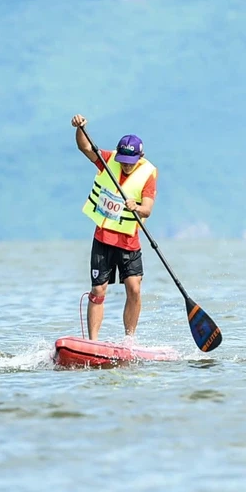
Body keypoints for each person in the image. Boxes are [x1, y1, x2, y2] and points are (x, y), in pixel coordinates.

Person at [72, 114, 157, 341]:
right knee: (98, 291)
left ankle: (129, 340)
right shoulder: (109, 160)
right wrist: (80, 128)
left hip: (129, 241)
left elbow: (147, 209)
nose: (126, 166)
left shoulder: (148, 174)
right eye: (123, 161)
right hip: (103, 239)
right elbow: (85, 147)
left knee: (134, 289)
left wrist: (136, 206)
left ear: (140, 157)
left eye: (131, 163)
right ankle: (93, 341)